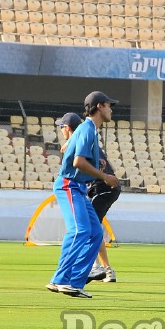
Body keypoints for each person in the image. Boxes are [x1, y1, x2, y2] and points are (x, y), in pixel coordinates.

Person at [47, 93, 119, 298]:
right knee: (80, 230)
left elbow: (77, 160)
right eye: (109, 105)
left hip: (77, 186)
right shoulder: (87, 130)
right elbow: (78, 162)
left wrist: (97, 166)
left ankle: (75, 282)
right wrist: (104, 176)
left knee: (96, 233)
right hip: (69, 185)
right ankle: (61, 279)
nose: (111, 110)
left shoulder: (89, 130)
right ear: (99, 106)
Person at [88, 145, 122, 283]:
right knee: (93, 229)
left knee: (91, 230)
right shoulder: (91, 144)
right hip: (105, 190)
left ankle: (99, 268)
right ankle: (105, 269)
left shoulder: (85, 144)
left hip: (103, 190)